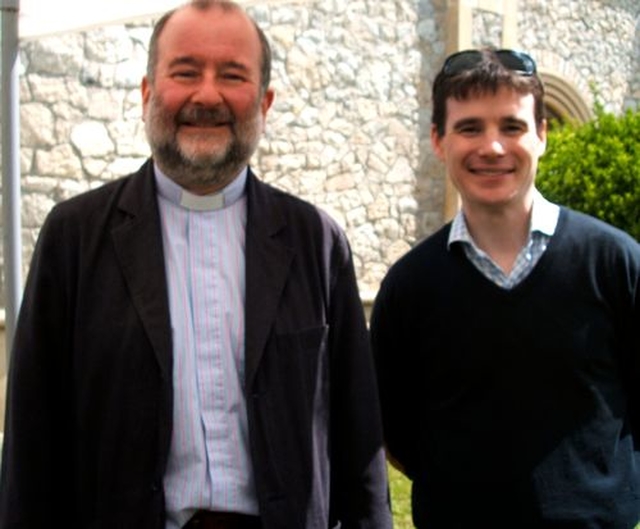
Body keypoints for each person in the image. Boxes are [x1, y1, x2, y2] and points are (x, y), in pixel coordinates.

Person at [0, 1, 393, 528]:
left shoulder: (316, 241)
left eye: (232, 76)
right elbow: (32, 440)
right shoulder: (74, 238)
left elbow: (358, 439)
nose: (207, 95)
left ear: (264, 102)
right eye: (185, 72)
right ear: (146, 94)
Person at [370, 48, 640, 528]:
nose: (492, 147)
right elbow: (396, 434)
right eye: (470, 127)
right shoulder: (409, 286)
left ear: (542, 135)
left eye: (511, 127)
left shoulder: (615, 262)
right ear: (438, 140)